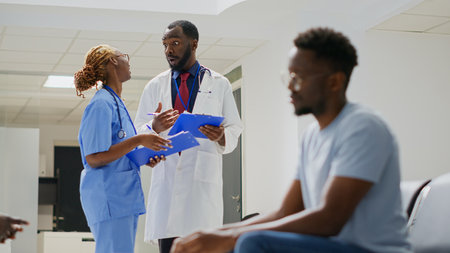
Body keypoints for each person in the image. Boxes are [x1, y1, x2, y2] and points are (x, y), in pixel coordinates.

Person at [170, 27, 412, 253]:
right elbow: (287, 211)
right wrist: (214, 232)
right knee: (242, 237)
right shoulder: (312, 136)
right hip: (330, 244)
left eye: (299, 78)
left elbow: (330, 218)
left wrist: (231, 237)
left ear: (334, 82)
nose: (291, 87)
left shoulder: (362, 127)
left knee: (252, 241)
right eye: (289, 76)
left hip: (370, 249)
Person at [134, 20, 243, 253]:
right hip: (167, 187)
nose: (169, 50)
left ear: (193, 44)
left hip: (201, 192)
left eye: (175, 43)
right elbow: (137, 131)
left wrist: (222, 136)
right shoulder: (155, 86)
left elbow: (235, 127)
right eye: (165, 45)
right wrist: (153, 125)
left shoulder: (220, 84)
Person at [74, 44, 171, 253]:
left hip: (122, 198)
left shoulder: (116, 103)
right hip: (110, 198)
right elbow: (93, 157)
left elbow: (119, 151)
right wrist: (139, 140)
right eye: (124, 56)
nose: (129, 62)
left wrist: (144, 155)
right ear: (113, 61)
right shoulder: (101, 104)